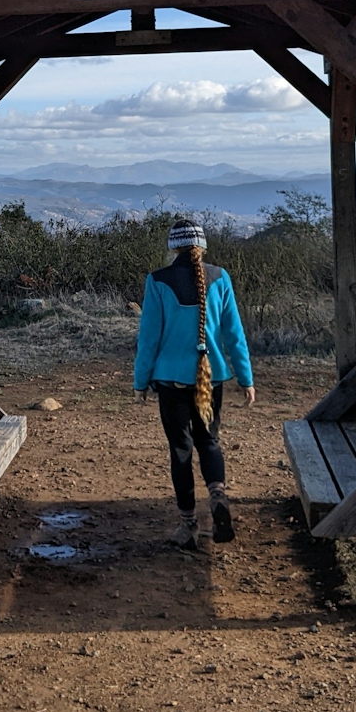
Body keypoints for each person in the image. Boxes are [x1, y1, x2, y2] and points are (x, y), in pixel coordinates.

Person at [133, 217, 255, 550]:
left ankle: (188, 525)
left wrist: (140, 381)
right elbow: (234, 334)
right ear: (201, 246)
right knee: (208, 440)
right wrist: (246, 378)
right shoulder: (220, 277)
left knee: (180, 449)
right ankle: (217, 493)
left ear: (173, 247)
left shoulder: (157, 280)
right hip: (210, 376)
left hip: (171, 380)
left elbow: (149, 338)